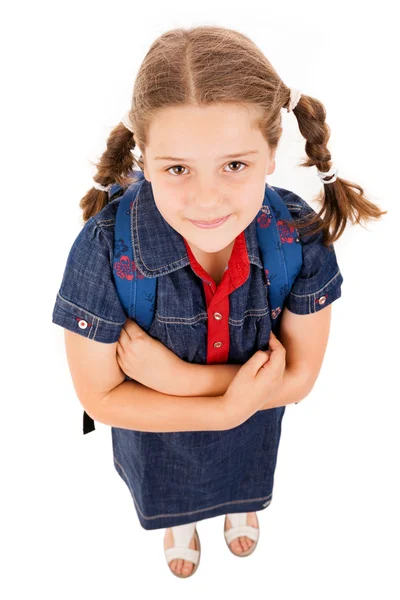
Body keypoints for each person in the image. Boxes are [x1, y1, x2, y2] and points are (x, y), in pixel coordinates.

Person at [51, 25, 386, 579]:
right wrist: (228, 404)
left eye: (235, 164)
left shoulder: (295, 237)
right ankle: (179, 523)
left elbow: (301, 379)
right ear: (145, 155)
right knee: (170, 490)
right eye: (177, 168)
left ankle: (240, 507)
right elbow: (100, 398)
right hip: (156, 432)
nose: (207, 199)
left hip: (249, 427)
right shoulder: (105, 249)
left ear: (272, 152)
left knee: (242, 473)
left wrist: (182, 379)